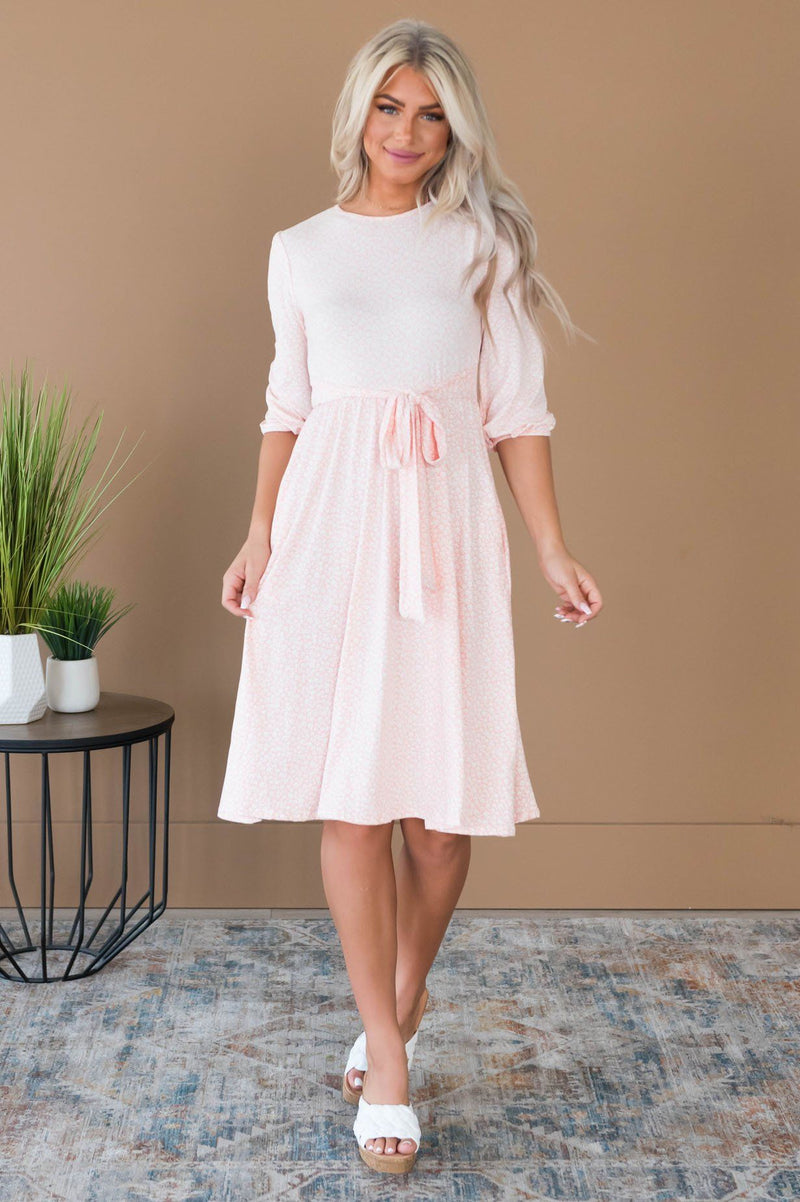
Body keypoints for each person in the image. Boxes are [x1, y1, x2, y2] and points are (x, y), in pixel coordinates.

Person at [218, 18, 603, 1175]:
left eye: (432, 114)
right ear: (359, 114)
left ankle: (402, 990)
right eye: (390, 107)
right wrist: (258, 532)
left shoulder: (480, 244)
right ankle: (385, 1056)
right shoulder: (299, 249)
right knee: (353, 800)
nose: (407, 132)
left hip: (443, 533)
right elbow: (288, 402)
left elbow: (515, 411)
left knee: (437, 824)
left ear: (455, 131)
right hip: (328, 531)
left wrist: (550, 548)